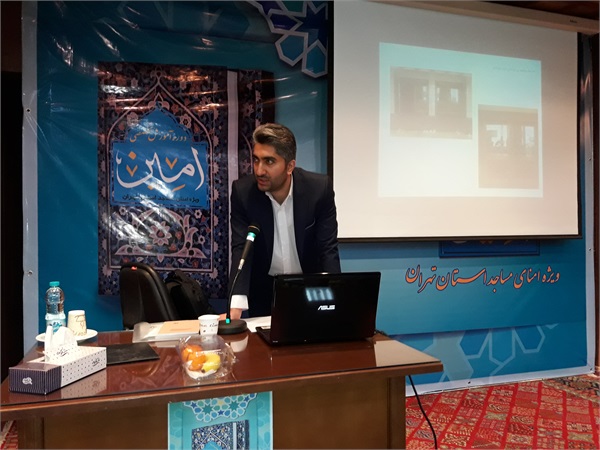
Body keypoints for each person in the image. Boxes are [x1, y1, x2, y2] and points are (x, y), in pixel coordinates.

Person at [224, 123, 341, 319]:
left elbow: (327, 249)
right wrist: (234, 309)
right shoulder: (243, 193)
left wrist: (336, 297)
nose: (259, 170)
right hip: (265, 289)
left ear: (290, 166)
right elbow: (241, 249)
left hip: (310, 286)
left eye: (269, 161)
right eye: (256, 160)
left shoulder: (318, 190)